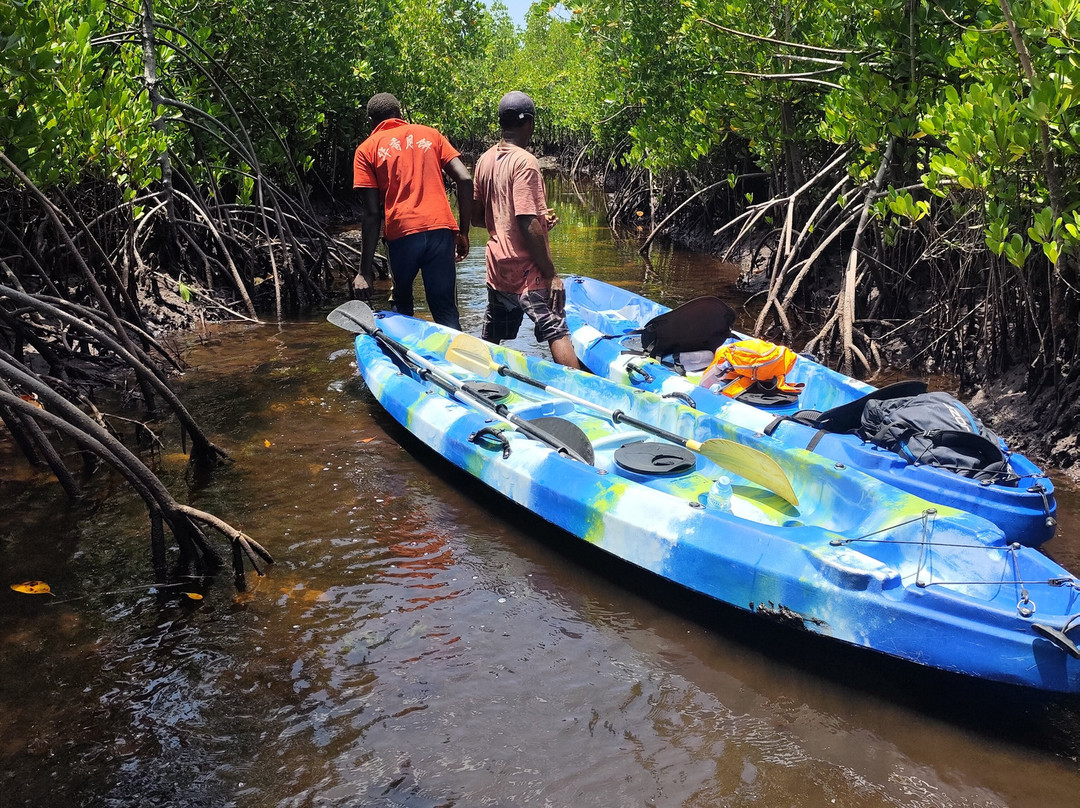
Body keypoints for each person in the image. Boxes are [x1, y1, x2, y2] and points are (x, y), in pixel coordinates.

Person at [471, 91, 582, 369]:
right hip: (526, 271)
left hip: (497, 269)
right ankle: (581, 392)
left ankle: (479, 378)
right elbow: (524, 221)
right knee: (556, 328)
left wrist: (540, 222)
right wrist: (551, 274)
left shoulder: (484, 160)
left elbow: (478, 218)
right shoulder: (525, 162)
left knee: (493, 335)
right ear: (529, 124)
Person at [353, 93, 472, 330]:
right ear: (400, 115)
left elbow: (372, 214)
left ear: (371, 121)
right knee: (446, 310)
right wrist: (463, 231)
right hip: (440, 230)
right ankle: (456, 361)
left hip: (402, 234)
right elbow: (465, 179)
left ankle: (403, 361)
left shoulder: (366, 149)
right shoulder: (431, 135)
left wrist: (364, 272)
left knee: (402, 305)